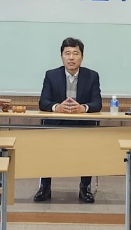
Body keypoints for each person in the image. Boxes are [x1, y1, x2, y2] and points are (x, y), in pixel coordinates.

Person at [35, 36, 102, 204]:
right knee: (45, 146)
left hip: (82, 126)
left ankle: (84, 188)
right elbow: (43, 102)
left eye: (75, 53)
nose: (71, 58)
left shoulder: (92, 76)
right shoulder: (51, 75)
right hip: (56, 125)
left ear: (82, 57)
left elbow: (97, 103)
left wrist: (83, 108)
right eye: (67, 53)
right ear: (62, 56)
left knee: (88, 147)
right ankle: (45, 187)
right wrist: (57, 107)